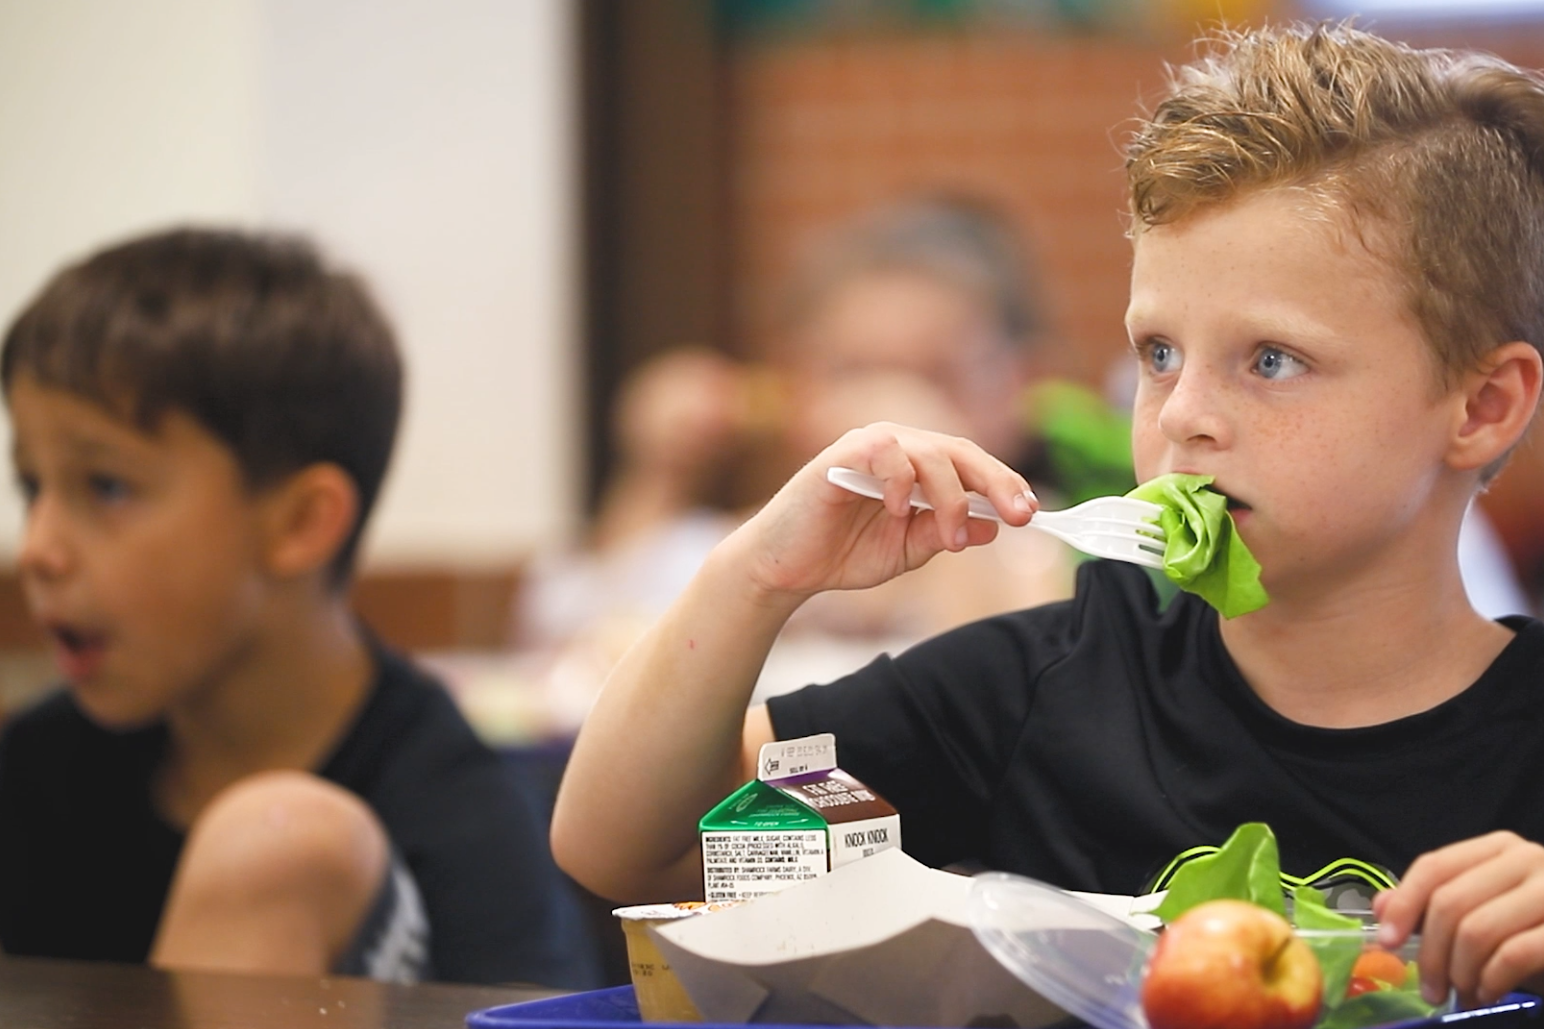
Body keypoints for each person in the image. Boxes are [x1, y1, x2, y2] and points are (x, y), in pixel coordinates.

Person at [552, 22, 1544, 1009]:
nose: (1183, 416)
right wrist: (759, 572)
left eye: (1269, 360)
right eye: (1157, 354)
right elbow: (643, 850)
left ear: (1481, 405)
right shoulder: (1033, 697)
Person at [0, 229, 596, 987]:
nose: (39, 549)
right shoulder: (39, 768)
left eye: (106, 487)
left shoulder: (463, 820)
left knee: (276, 847)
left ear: (299, 523)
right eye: (31, 488)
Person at [518, 199, 1079, 699]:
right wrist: (661, 473)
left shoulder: (1033, 541)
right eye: (852, 373)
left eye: (936, 378)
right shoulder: (761, 537)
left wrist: (954, 497)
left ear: (1018, 385)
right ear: (798, 385)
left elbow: (1019, 683)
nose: (889, 416)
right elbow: (592, 636)